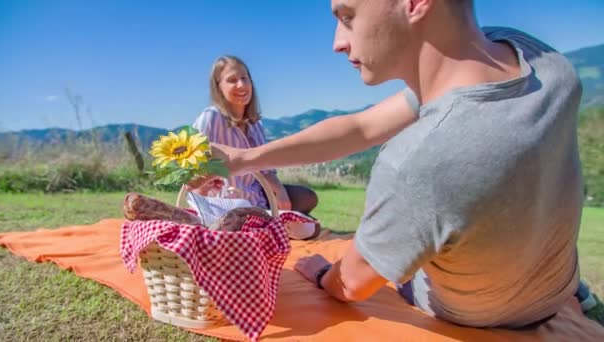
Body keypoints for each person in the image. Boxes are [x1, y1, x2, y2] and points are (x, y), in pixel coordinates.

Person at [192, 0, 604, 328]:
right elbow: (361, 126)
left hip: (483, 316)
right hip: (557, 287)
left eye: (347, 16)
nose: (337, 41)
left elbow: (351, 283)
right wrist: (245, 160)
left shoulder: (416, 162)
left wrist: (319, 272)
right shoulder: (546, 63)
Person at [191, 55, 318, 216]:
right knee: (310, 228)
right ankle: (283, 224)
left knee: (308, 198)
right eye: (232, 80)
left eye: (245, 78)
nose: (242, 84)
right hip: (225, 203)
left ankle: (284, 221)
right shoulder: (211, 117)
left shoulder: (255, 124)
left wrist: (280, 192)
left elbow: (266, 169)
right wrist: (203, 193)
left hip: (257, 196)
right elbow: (192, 168)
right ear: (218, 87)